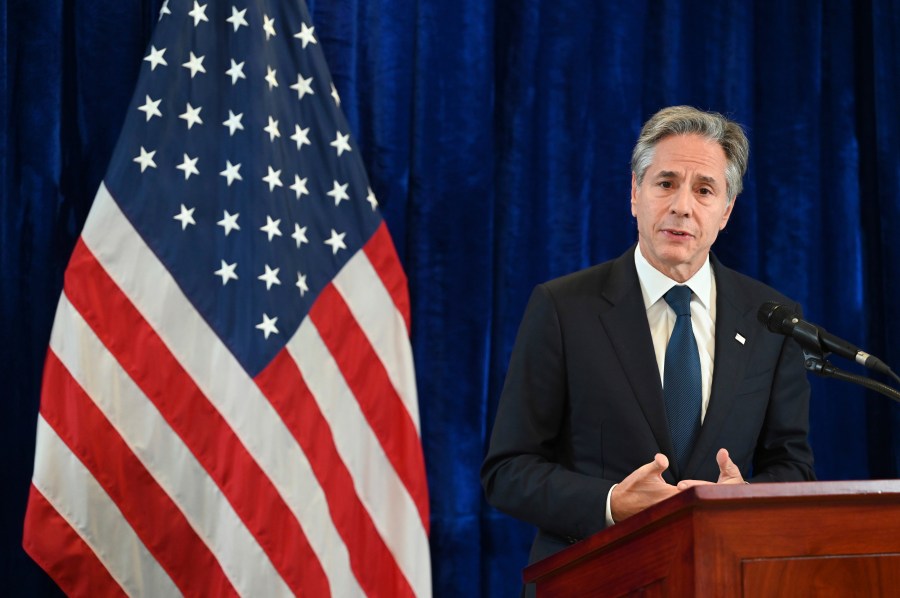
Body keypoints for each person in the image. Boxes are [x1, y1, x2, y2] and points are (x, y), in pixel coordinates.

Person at [480, 105, 816, 594]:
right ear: (634, 194)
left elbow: (793, 464)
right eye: (665, 183)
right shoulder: (563, 307)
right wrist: (612, 501)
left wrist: (744, 500)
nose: (682, 205)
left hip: (723, 579)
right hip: (594, 580)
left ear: (726, 211)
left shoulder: (771, 317)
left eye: (704, 190)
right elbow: (507, 471)